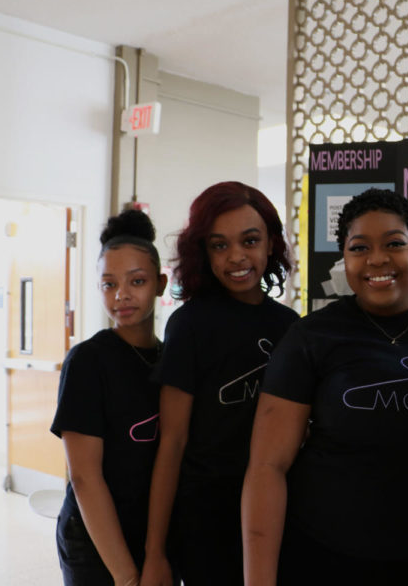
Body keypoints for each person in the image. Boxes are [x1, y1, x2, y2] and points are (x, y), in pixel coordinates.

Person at [241, 188, 408, 586]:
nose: (377, 259)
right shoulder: (312, 337)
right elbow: (267, 468)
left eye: (395, 244)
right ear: (344, 258)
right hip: (324, 560)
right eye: (359, 247)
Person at [140, 182, 299, 586]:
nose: (237, 257)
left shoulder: (291, 328)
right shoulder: (190, 325)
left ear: (270, 244)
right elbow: (172, 443)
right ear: (202, 252)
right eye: (219, 245)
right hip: (207, 521)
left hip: (281, 514)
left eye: (250, 240)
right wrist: (155, 551)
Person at [50, 209, 169, 585]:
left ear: (160, 283)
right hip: (94, 539)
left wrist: (156, 553)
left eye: (137, 281)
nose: (121, 295)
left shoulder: (171, 361)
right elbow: (84, 477)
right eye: (108, 284)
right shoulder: (87, 362)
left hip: (149, 537)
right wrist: (125, 575)